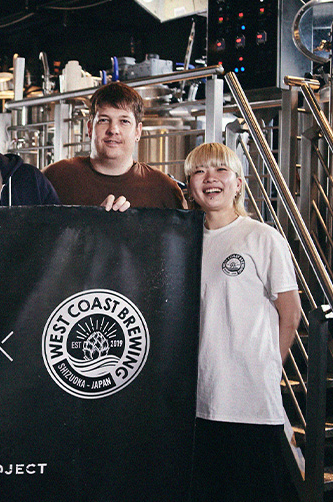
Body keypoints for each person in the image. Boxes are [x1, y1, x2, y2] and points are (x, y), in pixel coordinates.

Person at [185, 142, 301, 500]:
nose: (210, 178)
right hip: (200, 398)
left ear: (238, 183)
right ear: (189, 185)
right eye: (199, 171)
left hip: (251, 402)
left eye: (221, 170)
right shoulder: (186, 241)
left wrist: (267, 367)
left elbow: (290, 313)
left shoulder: (261, 237)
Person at [42, 82, 185, 211]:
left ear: (138, 131)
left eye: (124, 121)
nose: (113, 130)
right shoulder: (54, 177)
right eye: (104, 120)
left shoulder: (165, 189)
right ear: (90, 128)